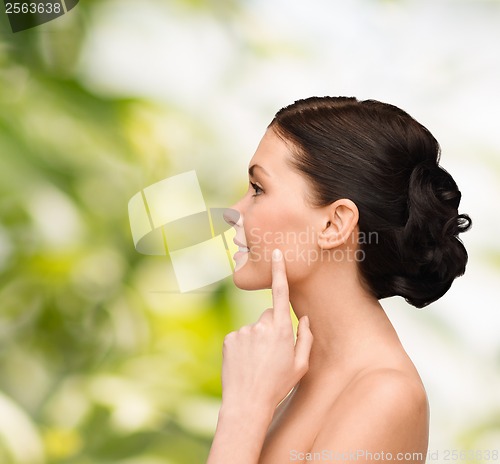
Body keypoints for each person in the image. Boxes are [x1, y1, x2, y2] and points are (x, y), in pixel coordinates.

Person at [208, 96, 471, 464]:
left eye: (258, 189)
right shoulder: (300, 378)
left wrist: (242, 413)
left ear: (334, 225)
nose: (234, 212)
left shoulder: (384, 395)